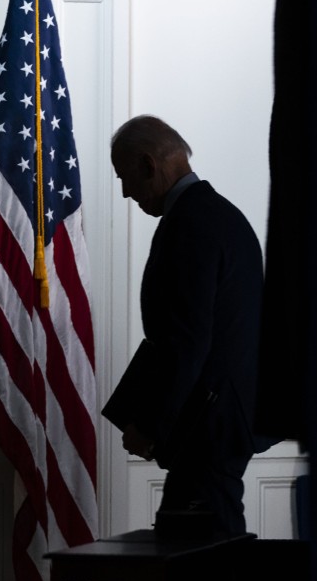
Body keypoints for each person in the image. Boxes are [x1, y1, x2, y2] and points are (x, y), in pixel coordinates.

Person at [101, 115, 275, 536]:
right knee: (202, 554)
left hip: (210, 424)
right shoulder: (216, 215)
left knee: (200, 559)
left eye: (125, 177)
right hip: (222, 417)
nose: (126, 192)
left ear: (148, 164)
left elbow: (185, 342)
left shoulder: (191, 224)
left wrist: (151, 426)